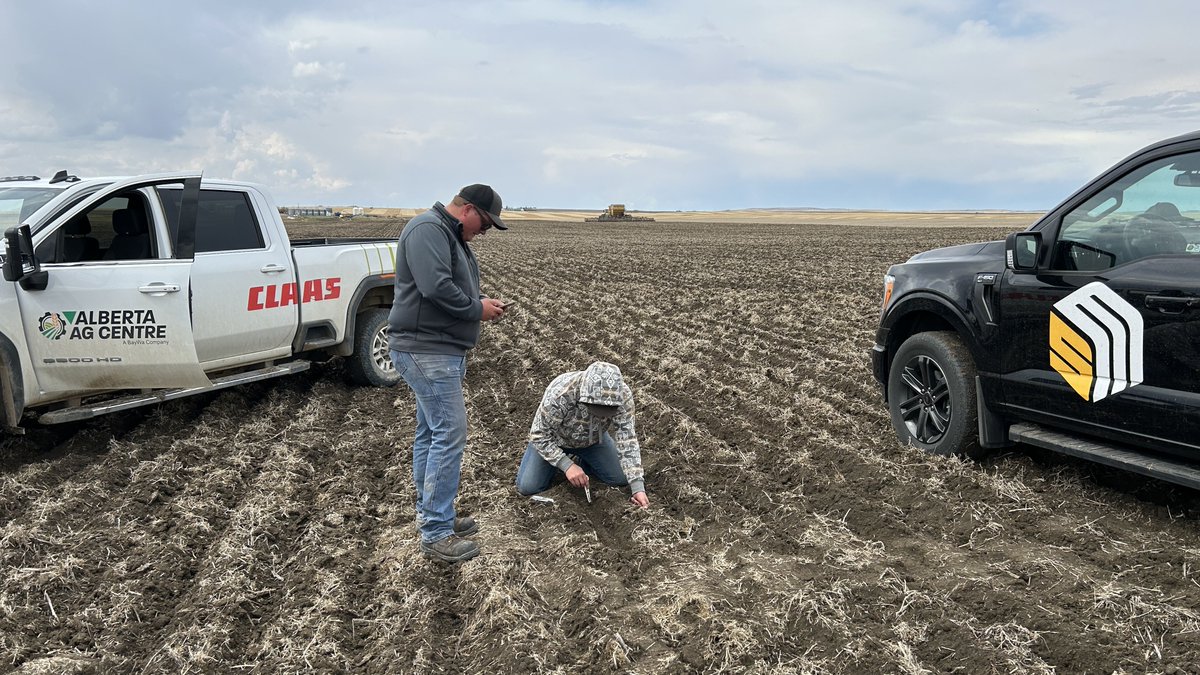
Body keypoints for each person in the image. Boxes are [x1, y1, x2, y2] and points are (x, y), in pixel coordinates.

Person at [388, 184, 508, 563]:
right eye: (485, 223)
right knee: (449, 432)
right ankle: (436, 532)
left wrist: (479, 303)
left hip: (439, 349)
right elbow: (436, 287)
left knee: (432, 432)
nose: (484, 231)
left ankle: (434, 516)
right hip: (426, 350)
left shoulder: (446, 233)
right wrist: (477, 309)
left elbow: (447, 284)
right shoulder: (429, 230)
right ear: (468, 210)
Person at [516, 361, 650, 508]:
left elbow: (627, 439)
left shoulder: (622, 396)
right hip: (553, 439)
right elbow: (539, 434)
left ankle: (582, 462)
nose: (601, 415)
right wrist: (567, 466)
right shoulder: (561, 391)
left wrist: (638, 487)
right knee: (528, 487)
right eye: (596, 409)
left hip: (592, 441)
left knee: (622, 477)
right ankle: (556, 462)